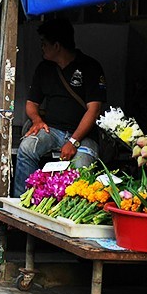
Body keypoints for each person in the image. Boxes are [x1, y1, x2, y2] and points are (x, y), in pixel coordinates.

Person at [13, 18, 106, 197]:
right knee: (26, 148)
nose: (41, 47)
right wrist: (37, 120)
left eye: (44, 43)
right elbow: (32, 104)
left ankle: (72, 215)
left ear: (56, 46)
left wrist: (73, 141)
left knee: (81, 166)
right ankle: (22, 201)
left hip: (83, 135)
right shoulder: (43, 68)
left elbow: (94, 110)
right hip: (52, 130)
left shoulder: (91, 67)